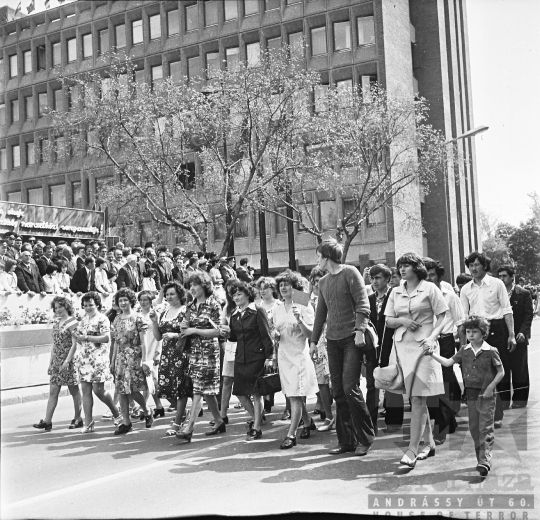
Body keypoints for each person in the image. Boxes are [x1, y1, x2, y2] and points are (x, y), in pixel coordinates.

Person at [310, 239, 374, 457]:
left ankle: (365, 438)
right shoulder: (323, 282)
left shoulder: (351, 273)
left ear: (327, 257)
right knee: (338, 391)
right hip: (332, 341)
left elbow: (363, 304)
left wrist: (359, 330)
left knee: (350, 388)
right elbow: (320, 314)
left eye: (319, 256)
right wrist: (313, 341)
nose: (317, 260)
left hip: (351, 339)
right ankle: (346, 440)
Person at [384, 253, 449, 468]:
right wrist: (402, 320)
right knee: (416, 399)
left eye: (407, 266)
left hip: (425, 347)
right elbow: (389, 321)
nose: (402, 270)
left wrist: (433, 337)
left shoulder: (430, 288)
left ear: (417, 268)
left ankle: (412, 450)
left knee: (419, 399)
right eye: (400, 266)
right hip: (403, 348)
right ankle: (428, 444)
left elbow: (442, 316)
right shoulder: (395, 291)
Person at [426, 315, 504, 477]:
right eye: (468, 332)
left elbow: (501, 372)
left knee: (485, 427)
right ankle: (480, 459)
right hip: (471, 394)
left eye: (474, 332)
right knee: (474, 427)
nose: (470, 335)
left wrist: (490, 388)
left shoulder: (491, 351)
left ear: (483, 333)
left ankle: (485, 460)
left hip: (487, 394)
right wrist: (432, 354)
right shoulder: (464, 351)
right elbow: (448, 363)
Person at [460, 252, 515, 428]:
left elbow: (507, 310)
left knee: (496, 372)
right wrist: (463, 343)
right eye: (470, 265)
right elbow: (463, 318)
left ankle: (496, 414)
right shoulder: (466, 289)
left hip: (497, 329)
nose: (473, 268)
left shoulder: (497, 284)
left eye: (476, 265)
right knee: (481, 374)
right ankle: (488, 414)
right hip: (476, 332)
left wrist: (511, 335)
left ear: (485, 266)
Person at [176, 272, 224, 441]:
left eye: (195, 285)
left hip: (209, 352)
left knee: (198, 388)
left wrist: (195, 330)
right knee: (207, 390)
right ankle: (219, 420)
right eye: (190, 286)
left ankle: (189, 427)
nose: (192, 289)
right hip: (194, 353)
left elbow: (219, 331)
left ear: (204, 286)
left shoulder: (213, 305)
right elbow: (185, 328)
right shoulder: (190, 306)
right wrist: (184, 326)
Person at [273, 270, 318, 449]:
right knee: (292, 394)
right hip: (283, 356)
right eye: (281, 284)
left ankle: (291, 434)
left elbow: (311, 334)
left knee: (295, 396)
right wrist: (275, 335)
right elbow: (277, 335)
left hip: (299, 355)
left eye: (287, 284)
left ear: (295, 287)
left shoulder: (304, 305)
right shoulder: (277, 309)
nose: (283, 287)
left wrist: (299, 320)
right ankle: (307, 422)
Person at [226, 281, 273, 440]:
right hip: (241, 357)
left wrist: (269, 357)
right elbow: (233, 337)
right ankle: (256, 417)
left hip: (256, 356)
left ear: (248, 294)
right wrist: (225, 332)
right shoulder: (234, 314)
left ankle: (257, 427)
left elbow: (266, 335)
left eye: (239, 294)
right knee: (239, 392)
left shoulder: (258, 311)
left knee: (256, 393)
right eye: (234, 295)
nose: (236, 297)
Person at [424, 258, 464, 443]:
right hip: (427, 343)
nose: (429, 277)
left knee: (445, 384)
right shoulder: (423, 295)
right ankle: (449, 423)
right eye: (426, 274)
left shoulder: (450, 296)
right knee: (432, 384)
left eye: (432, 274)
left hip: (446, 341)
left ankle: (443, 426)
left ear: (440, 276)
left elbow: (461, 324)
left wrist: (463, 347)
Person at [70, 292, 121, 433]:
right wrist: (78, 337)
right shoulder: (83, 319)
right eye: (85, 305)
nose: (88, 308)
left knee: (99, 391)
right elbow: (80, 338)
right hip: (84, 359)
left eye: (90, 305)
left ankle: (117, 414)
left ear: (97, 304)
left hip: (98, 359)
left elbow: (105, 338)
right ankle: (88, 422)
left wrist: (86, 337)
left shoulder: (102, 319)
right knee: (85, 390)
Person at [32, 296, 83, 432]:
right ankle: (47, 421)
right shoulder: (56, 323)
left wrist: (67, 361)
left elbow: (75, 344)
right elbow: (54, 345)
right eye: (55, 308)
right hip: (57, 361)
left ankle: (78, 418)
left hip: (69, 361)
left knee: (74, 390)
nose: (58, 310)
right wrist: (50, 363)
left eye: (60, 306)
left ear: (66, 306)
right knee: (53, 391)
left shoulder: (73, 322)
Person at [110, 288, 153, 435]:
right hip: (121, 358)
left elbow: (143, 342)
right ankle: (126, 423)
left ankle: (147, 411)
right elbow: (116, 342)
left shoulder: (138, 318)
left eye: (125, 300)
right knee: (121, 390)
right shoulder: (116, 319)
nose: (122, 303)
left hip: (135, 357)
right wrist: (112, 360)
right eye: (120, 300)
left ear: (130, 301)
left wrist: (145, 360)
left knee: (133, 389)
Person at [152, 281, 189, 431]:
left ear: (180, 294)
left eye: (172, 294)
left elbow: (190, 332)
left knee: (180, 389)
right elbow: (158, 337)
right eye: (167, 294)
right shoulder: (165, 312)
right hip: (167, 354)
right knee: (165, 389)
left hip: (181, 353)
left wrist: (175, 335)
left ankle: (178, 421)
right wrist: (155, 322)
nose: (169, 297)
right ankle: (182, 413)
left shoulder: (185, 310)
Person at [497, 265, 533, 409]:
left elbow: (528, 315)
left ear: (512, 277)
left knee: (520, 369)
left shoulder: (523, 293)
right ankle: (504, 400)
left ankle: (520, 399)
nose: (501, 279)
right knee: (503, 369)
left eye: (504, 276)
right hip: (501, 337)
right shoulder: (497, 293)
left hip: (519, 336)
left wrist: (523, 332)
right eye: (499, 276)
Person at [368, 264, 399, 432]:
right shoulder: (369, 299)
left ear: (387, 279)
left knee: (392, 381)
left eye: (378, 278)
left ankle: (393, 421)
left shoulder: (394, 296)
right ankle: (371, 422)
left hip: (392, 343)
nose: (374, 281)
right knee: (373, 383)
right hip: (373, 346)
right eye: (372, 278)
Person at [308, 267, 334, 431]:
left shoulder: (332, 296)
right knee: (321, 381)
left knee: (335, 381)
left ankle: (343, 416)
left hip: (332, 340)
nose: (318, 284)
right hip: (316, 343)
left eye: (320, 280)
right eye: (315, 281)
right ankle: (328, 416)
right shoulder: (307, 299)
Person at [256, 276, 282, 415]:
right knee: (265, 373)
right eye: (260, 289)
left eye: (265, 288)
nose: (262, 291)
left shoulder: (279, 305)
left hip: (278, 343)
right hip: (263, 344)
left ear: (272, 289)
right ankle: (265, 404)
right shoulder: (257, 306)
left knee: (280, 374)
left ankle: (288, 408)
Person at [138, 291, 163, 415]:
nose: (143, 302)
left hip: (154, 348)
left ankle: (148, 407)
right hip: (143, 349)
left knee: (153, 379)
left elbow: (160, 334)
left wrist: (158, 352)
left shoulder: (155, 314)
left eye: (146, 300)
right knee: (147, 380)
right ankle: (156, 406)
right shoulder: (137, 315)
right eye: (141, 300)